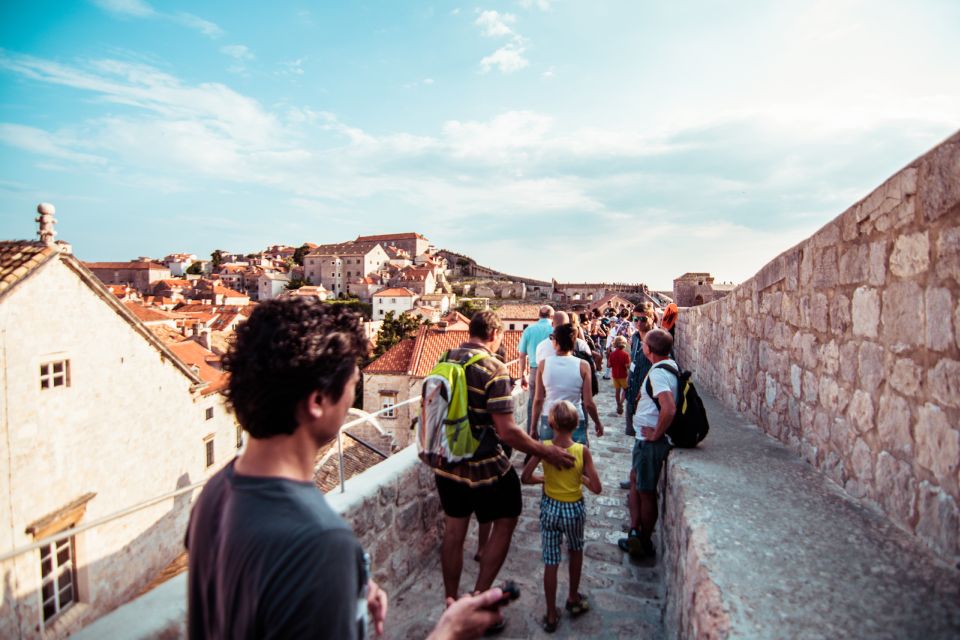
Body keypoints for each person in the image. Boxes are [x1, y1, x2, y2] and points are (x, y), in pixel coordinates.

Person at [186, 298, 506, 640]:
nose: (354, 393)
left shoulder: (216, 492)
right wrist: (449, 632)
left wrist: (343, 586)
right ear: (318, 401)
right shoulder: (321, 543)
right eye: (352, 383)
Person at [433, 311, 575, 634]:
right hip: (484, 468)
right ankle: (480, 599)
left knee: (454, 534)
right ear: (495, 334)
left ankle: (451, 603)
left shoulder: (445, 358)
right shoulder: (493, 368)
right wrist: (545, 451)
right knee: (509, 514)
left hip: (447, 464)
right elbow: (508, 431)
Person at [521, 401, 602, 633]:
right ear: (576, 424)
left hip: (550, 509)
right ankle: (573, 597)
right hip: (574, 509)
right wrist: (581, 479)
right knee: (575, 550)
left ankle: (550, 613)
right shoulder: (582, 451)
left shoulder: (544, 447)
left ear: (551, 423)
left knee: (551, 561)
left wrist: (544, 479)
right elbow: (596, 487)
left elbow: (525, 477)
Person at [618, 329, 677, 560]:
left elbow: (669, 407)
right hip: (645, 442)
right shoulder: (667, 366)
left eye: (643, 343)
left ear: (649, 350)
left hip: (649, 443)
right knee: (637, 481)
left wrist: (655, 434)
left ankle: (642, 542)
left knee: (646, 491)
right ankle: (636, 531)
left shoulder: (659, 374)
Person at [531, 323, 604, 445]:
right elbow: (589, 403)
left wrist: (533, 427)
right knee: (576, 460)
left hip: (549, 417)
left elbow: (538, 399)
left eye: (552, 337)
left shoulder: (543, 365)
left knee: (550, 460)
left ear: (556, 341)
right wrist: (597, 422)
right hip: (574, 418)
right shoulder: (583, 365)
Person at [518, 305, 555, 434]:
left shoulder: (529, 330)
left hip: (534, 370)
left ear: (539, 315)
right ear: (551, 316)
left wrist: (523, 375)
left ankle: (532, 436)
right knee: (551, 404)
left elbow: (522, 355)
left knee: (533, 403)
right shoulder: (554, 330)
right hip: (552, 370)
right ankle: (549, 437)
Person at [608, 336, 630, 415]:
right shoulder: (625, 355)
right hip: (623, 375)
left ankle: (618, 404)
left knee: (617, 391)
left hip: (615, 375)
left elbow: (609, 365)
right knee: (625, 390)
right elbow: (627, 366)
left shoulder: (612, 354)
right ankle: (621, 403)